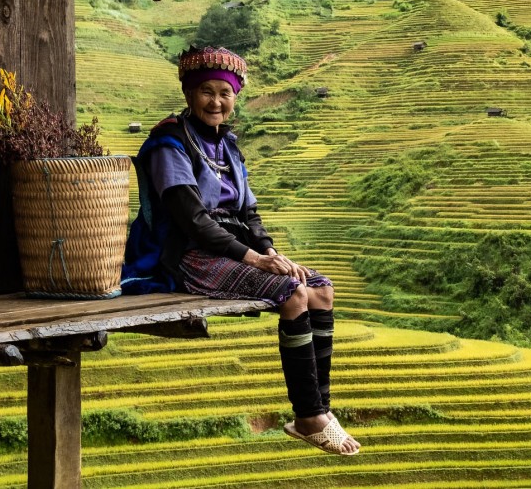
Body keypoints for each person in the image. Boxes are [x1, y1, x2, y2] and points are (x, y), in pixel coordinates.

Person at [122, 45, 360, 456]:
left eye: (225, 93)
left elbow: (249, 212)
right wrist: (255, 258)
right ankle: (309, 416)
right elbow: (192, 220)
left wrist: (269, 249)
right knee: (292, 293)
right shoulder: (168, 143)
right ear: (189, 94)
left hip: (235, 248)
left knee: (321, 288)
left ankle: (319, 409)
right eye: (207, 92)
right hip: (187, 253)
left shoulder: (229, 146)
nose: (216, 101)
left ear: (236, 98)